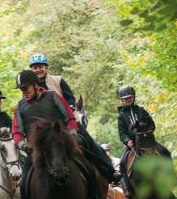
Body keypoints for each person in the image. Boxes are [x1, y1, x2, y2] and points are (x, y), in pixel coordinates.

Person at [12, 70, 116, 199]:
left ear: (35, 85)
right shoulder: (20, 107)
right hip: (37, 151)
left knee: (88, 169)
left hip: (60, 145)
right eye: (21, 88)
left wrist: (73, 133)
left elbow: (69, 117)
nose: (23, 90)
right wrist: (22, 145)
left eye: (25, 87)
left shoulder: (52, 97)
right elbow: (16, 132)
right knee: (24, 185)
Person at [29, 53, 119, 185]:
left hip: (66, 122)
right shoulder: (29, 86)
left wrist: (70, 107)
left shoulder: (58, 80)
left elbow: (70, 97)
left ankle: (109, 172)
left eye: (40, 66)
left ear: (46, 67)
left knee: (89, 142)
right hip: (46, 129)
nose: (38, 70)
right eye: (35, 67)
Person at [117, 85, 171, 199]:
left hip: (147, 141)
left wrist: (148, 130)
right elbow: (122, 133)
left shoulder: (141, 110)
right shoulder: (121, 116)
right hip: (133, 143)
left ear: (133, 97)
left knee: (165, 152)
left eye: (129, 97)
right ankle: (127, 189)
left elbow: (152, 124)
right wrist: (127, 141)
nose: (128, 100)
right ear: (121, 100)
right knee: (122, 163)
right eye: (125, 98)